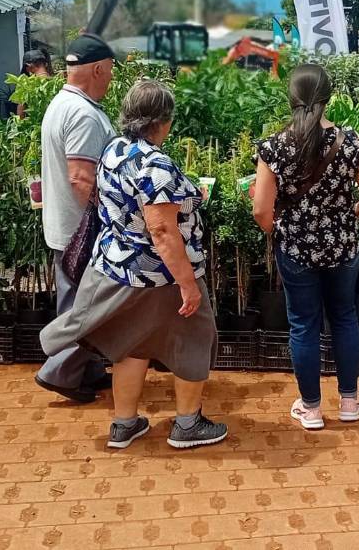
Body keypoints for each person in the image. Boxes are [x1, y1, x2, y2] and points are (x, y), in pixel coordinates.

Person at [40, 80, 226, 449]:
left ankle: (124, 424)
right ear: (164, 120)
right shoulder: (156, 165)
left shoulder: (114, 150)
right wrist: (188, 284)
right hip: (161, 275)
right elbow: (162, 231)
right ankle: (187, 425)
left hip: (117, 268)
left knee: (131, 345)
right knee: (194, 340)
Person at [253, 64, 359, 430]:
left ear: (291, 98)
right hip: (342, 247)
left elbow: (261, 209)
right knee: (344, 318)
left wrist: (278, 228)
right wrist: (351, 216)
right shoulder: (351, 141)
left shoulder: (273, 146)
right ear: (328, 98)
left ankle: (310, 408)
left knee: (303, 324)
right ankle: (349, 402)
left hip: (295, 249)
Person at [34, 34, 116, 403]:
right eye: (111, 71)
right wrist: (111, 215)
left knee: (76, 302)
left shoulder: (61, 103)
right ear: (98, 69)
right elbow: (81, 177)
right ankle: (60, 373)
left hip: (65, 225)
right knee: (87, 307)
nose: (111, 79)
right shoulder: (82, 114)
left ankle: (90, 371)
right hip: (82, 229)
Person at [15, 49, 54, 118]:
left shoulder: (26, 86)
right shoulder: (57, 82)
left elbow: (20, 116)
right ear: (46, 64)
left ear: (28, 67)